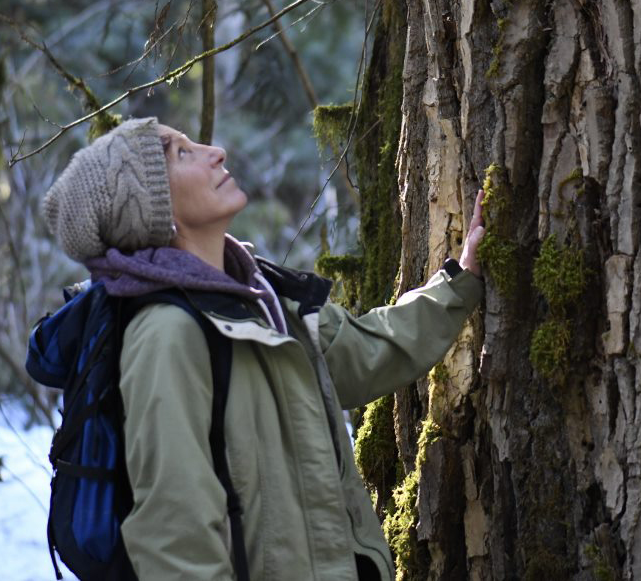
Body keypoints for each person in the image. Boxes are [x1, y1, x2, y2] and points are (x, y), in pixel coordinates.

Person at [40, 116, 486, 580]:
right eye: (181, 153)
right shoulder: (166, 334)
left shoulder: (261, 292)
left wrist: (460, 281)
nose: (215, 152)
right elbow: (176, 539)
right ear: (153, 210)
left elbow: (363, 352)